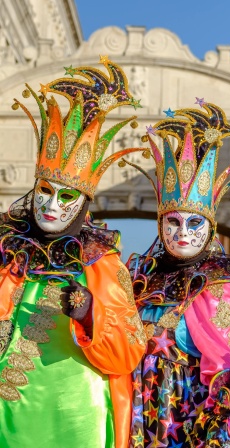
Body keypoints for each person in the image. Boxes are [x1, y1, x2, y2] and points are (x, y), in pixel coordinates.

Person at [0, 58, 147, 448]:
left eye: (66, 196)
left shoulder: (102, 262)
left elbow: (128, 351)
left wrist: (89, 316)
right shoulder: (7, 252)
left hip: (75, 417)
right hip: (7, 417)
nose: (51, 205)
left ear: (83, 205)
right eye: (45, 191)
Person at [126, 101, 230, 447]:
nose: (183, 234)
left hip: (184, 418)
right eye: (173, 223)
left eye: (194, 223)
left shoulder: (218, 285)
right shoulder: (140, 278)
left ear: (211, 226)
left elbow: (229, 359)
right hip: (135, 414)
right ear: (160, 226)